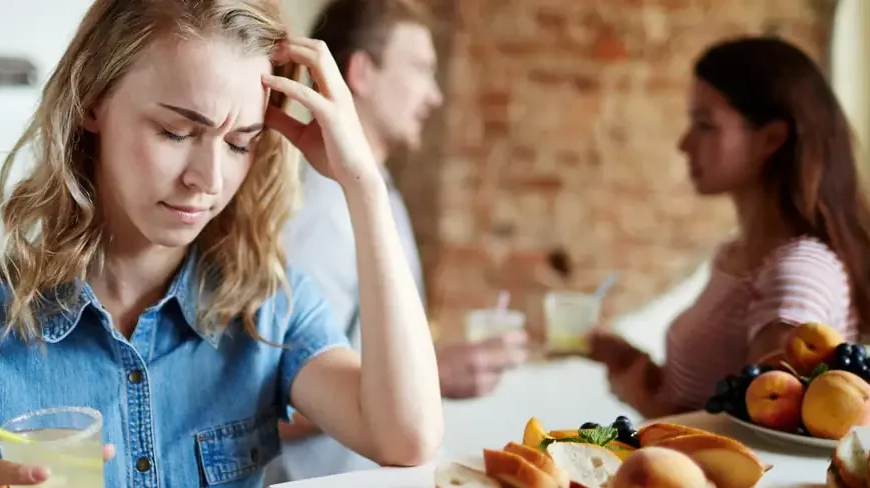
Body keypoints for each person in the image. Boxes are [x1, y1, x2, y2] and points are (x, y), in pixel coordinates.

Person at [0, 1, 444, 487]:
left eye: (240, 144)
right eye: (177, 132)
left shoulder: (270, 311)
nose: (210, 178)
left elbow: (406, 438)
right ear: (91, 101)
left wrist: (361, 183)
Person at [268, 0, 530, 483]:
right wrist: (428, 376)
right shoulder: (322, 210)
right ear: (362, 72)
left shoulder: (378, 193)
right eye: (421, 70)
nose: (434, 96)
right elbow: (269, 400)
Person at [588, 36, 870, 419]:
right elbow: (714, 394)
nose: (684, 143)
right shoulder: (735, 255)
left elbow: (766, 436)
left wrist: (646, 399)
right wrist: (635, 366)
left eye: (705, 125)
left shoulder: (798, 272)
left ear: (771, 138)